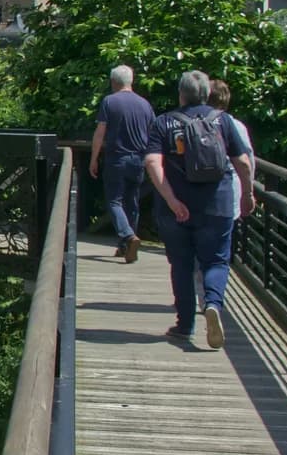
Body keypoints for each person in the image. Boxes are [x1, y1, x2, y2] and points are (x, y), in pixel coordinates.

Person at [145, 70, 255, 348]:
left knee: (181, 264)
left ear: (181, 94)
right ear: (206, 94)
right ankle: (213, 304)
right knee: (216, 260)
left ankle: (184, 326)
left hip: (176, 208)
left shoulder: (164, 122)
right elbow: (242, 161)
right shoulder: (224, 121)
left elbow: (152, 164)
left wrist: (171, 200)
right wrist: (248, 194)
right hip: (217, 204)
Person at [90, 65, 155, 264]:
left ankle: (128, 236)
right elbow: (153, 135)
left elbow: (100, 132)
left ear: (113, 82)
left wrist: (94, 158)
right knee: (131, 201)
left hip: (117, 158)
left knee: (114, 201)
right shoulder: (145, 104)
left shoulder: (110, 101)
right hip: (139, 160)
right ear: (131, 81)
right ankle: (125, 247)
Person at [209, 79, 254, 221]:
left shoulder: (192, 122)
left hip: (198, 195)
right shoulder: (236, 125)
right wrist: (248, 193)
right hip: (229, 194)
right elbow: (246, 162)